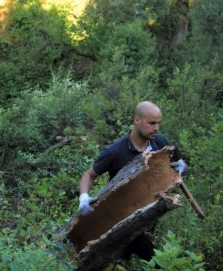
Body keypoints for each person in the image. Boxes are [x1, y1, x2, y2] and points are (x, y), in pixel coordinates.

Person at [78, 101, 187, 261]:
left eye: (158, 123)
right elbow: (89, 175)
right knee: (153, 258)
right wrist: (83, 197)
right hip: (122, 217)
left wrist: (181, 166)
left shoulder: (161, 142)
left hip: (150, 210)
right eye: (151, 123)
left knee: (124, 256)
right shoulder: (114, 151)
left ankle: (121, 259)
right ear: (137, 120)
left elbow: (178, 163)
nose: (156, 128)